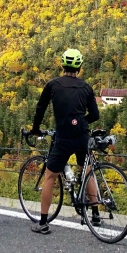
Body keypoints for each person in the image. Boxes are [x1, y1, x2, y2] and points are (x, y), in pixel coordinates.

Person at [29, 48, 100, 234]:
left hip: (63, 137)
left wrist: (35, 129)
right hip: (82, 135)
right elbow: (95, 114)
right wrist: (81, 121)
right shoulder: (86, 87)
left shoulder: (52, 85)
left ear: (62, 65)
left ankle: (43, 223)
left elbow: (40, 108)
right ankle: (95, 214)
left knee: (50, 177)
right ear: (80, 67)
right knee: (87, 171)